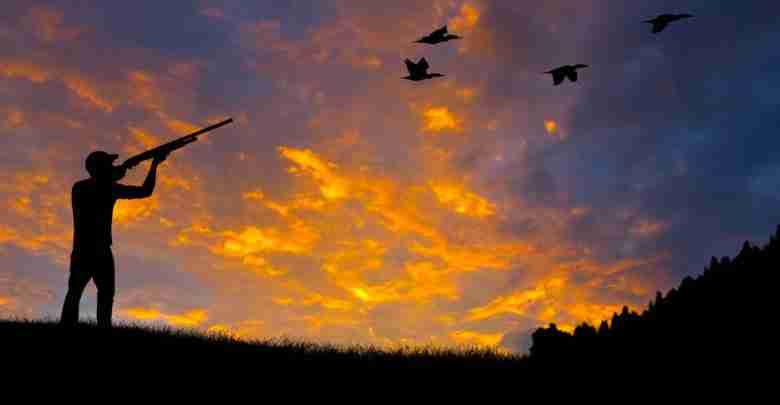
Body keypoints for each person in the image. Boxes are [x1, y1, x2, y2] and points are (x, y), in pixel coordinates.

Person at [60, 149, 168, 327]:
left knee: (91, 292)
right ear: (99, 168)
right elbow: (145, 191)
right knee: (85, 292)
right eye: (108, 164)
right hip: (94, 249)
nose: (113, 167)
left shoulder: (87, 187)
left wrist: (150, 165)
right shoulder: (86, 188)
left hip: (86, 249)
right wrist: (154, 164)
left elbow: (144, 191)